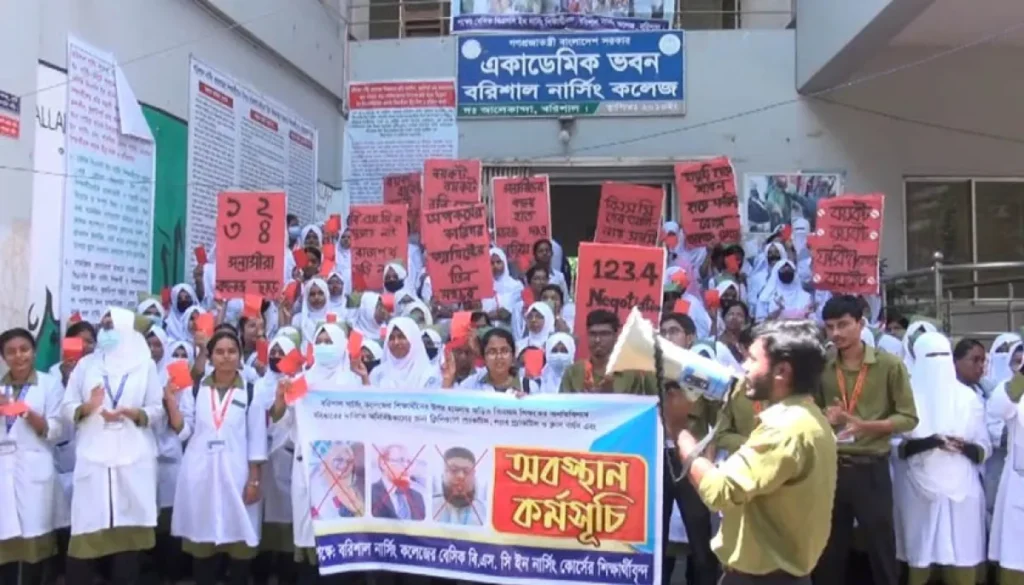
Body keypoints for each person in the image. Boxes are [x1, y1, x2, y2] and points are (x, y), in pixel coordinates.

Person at [665, 319, 837, 584]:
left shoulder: (785, 428)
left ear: (782, 371)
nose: (743, 367)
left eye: (752, 359)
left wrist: (679, 430)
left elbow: (717, 491)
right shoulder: (805, 416)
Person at [812, 295, 918, 585]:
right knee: (828, 552)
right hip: (832, 468)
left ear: (861, 324)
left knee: (881, 548)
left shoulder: (889, 365)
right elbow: (811, 412)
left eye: (843, 324)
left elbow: (908, 418)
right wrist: (824, 417)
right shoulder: (823, 367)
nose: (836, 333)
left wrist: (864, 426)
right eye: (830, 327)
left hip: (871, 467)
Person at [61, 307, 165, 585]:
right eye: (102, 326)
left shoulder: (145, 366)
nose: (104, 332)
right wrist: (88, 407)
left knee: (127, 551)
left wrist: (133, 413)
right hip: (94, 458)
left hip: (133, 459)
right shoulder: (87, 365)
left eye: (110, 326)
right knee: (84, 542)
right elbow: (67, 406)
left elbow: (157, 409)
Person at [167, 331, 267, 585]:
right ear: (210, 357)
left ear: (240, 356)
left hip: (238, 474)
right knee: (203, 546)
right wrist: (170, 402)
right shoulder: (196, 388)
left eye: (232, 351)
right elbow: (185, 431)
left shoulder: (251, 391)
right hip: (201, 472)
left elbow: (257, 439)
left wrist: (254, 480)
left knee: (240, 544)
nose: (226, 357)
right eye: (219, 352)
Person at [895, 332, 988, 585]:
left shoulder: (968, 398)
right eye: (931, 357)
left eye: (942, 356)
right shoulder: (905, 399)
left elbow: (983, 447)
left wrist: (963, 447)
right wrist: (931, 442)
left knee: (962, 558)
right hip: (917, 492)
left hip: (962, 491)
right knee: (920, 557)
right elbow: (897, 448)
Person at [0, 328, 65, 585]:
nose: (18, 356)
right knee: (5, 544)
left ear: (34, 352)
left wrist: (24, 411)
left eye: (24, 349)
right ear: (3, 357)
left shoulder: (49, 385)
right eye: (11, 352)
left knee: (36, 545)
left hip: (34, 470)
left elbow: (56, 430)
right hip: (4, 471)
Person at [658, 314, 719, 585]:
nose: (668, 336)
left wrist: (708, 460)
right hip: (658, 458)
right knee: (656, 538)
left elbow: (718, 421)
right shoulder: (651, 371)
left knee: (700, 538)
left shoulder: (703, 373)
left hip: (691, 458)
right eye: (663, 332)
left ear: (690, 337)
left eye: (674, 331)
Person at [987, 345, 1024, 585]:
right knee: (1016, 554)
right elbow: (999, 409)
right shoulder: (1009, 388)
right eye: (1017, 361)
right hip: (1019, 480)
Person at [559, 310, 658, 394]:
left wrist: (610, 397)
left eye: (604, 334)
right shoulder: (573, 372)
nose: (597, 340)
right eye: (593, 334)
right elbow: (562, 407)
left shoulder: (634, 373)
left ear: (616, 336)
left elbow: (650, 404)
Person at [370, 444, 426, 521]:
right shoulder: (370, 493)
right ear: (383, 464)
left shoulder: (417, 497)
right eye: (400, 461)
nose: (406, 466)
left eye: (409, 462)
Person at [433, 447, 485, 526]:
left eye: (466, 471)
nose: (461, 476)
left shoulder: (485, 513)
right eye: (453, 470)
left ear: (474, 475)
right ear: (443, 474)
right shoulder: (428, 508)